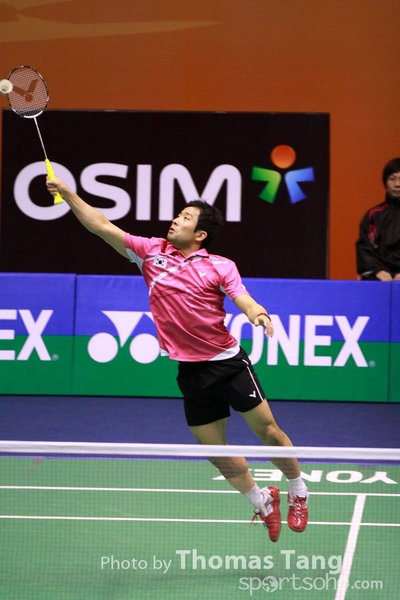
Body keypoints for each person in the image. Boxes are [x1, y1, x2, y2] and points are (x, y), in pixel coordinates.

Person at [46, 176, 308, 542]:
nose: (176, 220)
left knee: (268, 432)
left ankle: (298, 490)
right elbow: (102, 225)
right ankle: (263, 501)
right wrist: (68, 194)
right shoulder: (150, 252)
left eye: (186, 218)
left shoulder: (220, 265)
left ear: (200, 234)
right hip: (191, 371)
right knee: (216, 452)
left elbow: (242, 298)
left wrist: (258, 314)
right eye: (178, 214)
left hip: (227, 363)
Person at [356, 157, 400, 281]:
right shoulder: (373, 215)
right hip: (380, 277)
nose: (397, 184)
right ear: (385, 182)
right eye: (392, 179)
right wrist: (378, 271)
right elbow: (364, 248)